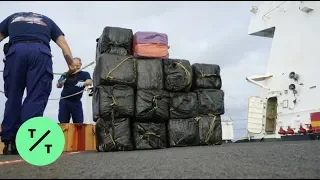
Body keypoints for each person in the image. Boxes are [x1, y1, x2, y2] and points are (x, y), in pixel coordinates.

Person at [0, 12, 76, 155]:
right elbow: (63, 44)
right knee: (36, 97)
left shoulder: (13, 17)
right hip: (40, 52)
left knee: (13, 97)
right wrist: (71, 64)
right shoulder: (47, 20)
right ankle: (27, 141)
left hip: (16, 51)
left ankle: (9, 143)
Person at [57, 57, 92, 124]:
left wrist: (84, 83)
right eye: (74, 65)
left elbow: (90, 81)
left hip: (76, 102)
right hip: (64, 101)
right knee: (63, 122)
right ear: (71, 65)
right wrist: (60, 82)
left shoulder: (85, 74)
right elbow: (58, 86)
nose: (76, 67)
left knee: (79, 123)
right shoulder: (66, 74)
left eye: (78, 65)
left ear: (81, 65)